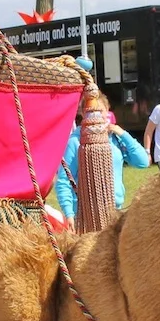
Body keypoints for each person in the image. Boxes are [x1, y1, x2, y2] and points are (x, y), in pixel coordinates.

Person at [55, 93, 149, 230]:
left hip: (114, 210)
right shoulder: (75, 142)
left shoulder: (115, 139)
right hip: (85, 215)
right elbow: (64, 180)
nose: (96, 115)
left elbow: (143, 162)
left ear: (107, 111)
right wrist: (69, 214)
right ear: (82, 113)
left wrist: (122, 133)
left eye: (100, 111)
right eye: (90, 112)